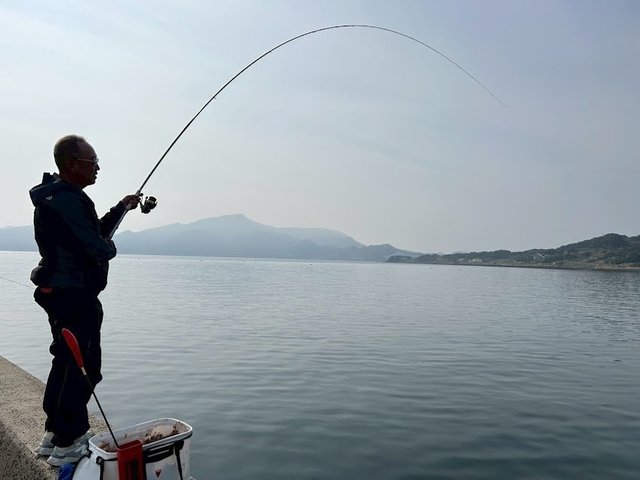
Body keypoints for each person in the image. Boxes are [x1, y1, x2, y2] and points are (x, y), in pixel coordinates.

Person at [29, 135, 140, 466]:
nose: (97, 168)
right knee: (84, 366)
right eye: (93, 163)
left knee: (65, 360)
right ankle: (69, 441)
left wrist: (121, 208)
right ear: (71, 164)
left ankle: (54, 434)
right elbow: (98, 246)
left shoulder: (58, 197)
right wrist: (110, 248)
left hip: (59, 290)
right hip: (74, 294)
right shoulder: (68, 200)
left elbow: (89, 233)